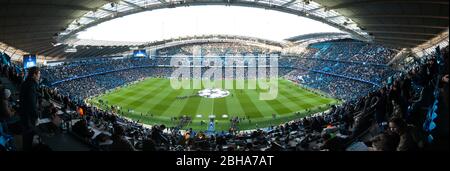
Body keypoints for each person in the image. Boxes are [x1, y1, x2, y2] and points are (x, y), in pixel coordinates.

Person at [19, 67, 40, 151]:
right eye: (38, 74)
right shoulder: (32, 85)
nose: (39, 76)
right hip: (28, 116)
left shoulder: (26, 82)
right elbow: (32, 103)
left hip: (24, 113)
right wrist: (36, 116)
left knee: (26, 136)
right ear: (34, 74)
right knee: (28, 135)